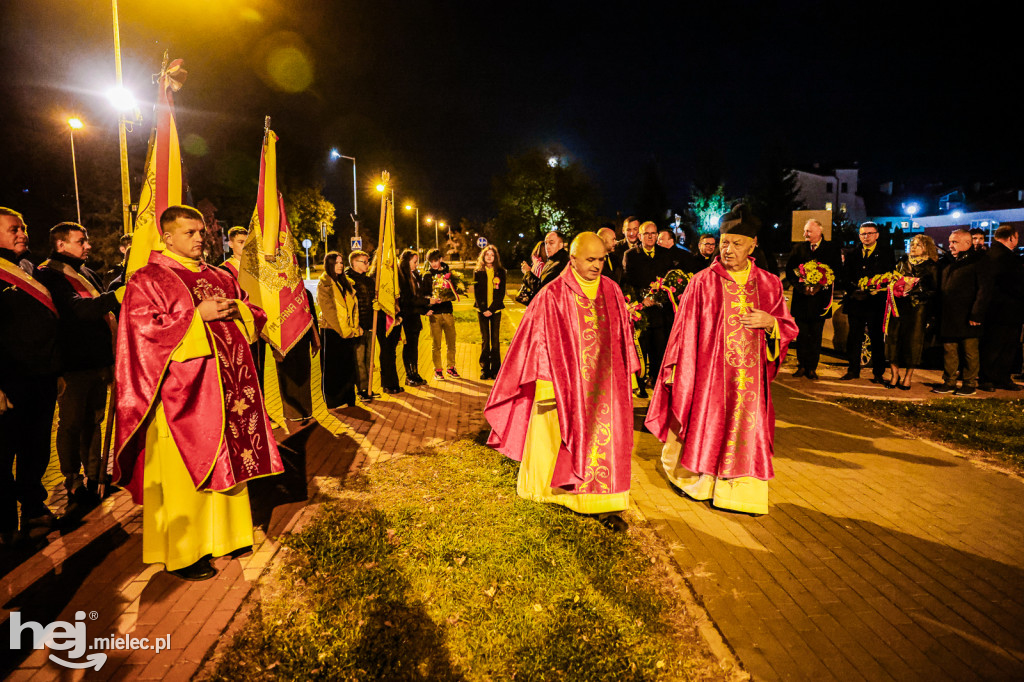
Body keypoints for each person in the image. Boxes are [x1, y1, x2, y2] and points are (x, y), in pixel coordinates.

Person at [113, 205, 283, 581]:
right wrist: (196, 316)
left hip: (229, 389)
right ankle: (185, 552)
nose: (199, 238)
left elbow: (252, 311)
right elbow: (143, 334)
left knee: (230, 463)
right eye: (189, 232)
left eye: (201, 231)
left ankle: (228, 537)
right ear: (167, 237)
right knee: (186, 474)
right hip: (183, 396)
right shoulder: (149, 279)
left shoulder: (218, 275)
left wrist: (236, 307)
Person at [646, 204, 798, 515]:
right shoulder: (703, 281)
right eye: (724, 242)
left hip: (750, 381)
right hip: (711, 376)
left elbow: (788, 326)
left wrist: (771, 324)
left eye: (736, 243)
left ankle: (741, 494)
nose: (727, 249)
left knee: (746, 429)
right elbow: (683, 330)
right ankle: (701, 484)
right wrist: (677, 368)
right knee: (709, 424)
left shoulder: (769, 283)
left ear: (753, 244)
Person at [485, 232, 639, 531]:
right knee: (556, 436)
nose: (598, 266)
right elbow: (536, 341)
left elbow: (622, 337)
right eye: (591, 260)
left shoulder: (612, 290)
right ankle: (552, 493)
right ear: (573, 259)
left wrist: (627, 378)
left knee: (605, 442)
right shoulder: (552, 294)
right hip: (563, 383)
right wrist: (545, 384)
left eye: (602, 259)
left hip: (605, 387)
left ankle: (604, 502)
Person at [35, 222, 121, 510]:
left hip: (97, 362)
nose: (88, 245)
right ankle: (73, 479)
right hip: (72, 364)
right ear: (61, 245)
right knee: (71, 424)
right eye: (81, 241)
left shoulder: (87, 273)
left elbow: (102, 307)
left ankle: (95, 473)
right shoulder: (49, 274)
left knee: (93, 421)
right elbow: (77, 311)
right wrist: (115, 296)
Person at [0, 207, 61, 545]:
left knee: (35, 448)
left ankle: (34, 508)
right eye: (13, 229)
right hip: (9, 383)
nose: (22, 233)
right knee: (3, 454)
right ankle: (5, 521)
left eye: (22, 227)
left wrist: (57, 368)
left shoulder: (28, 269)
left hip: (41, 377)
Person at [932, 229, 990, 396]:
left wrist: (976, 314)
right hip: (949, 316)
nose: (950, 245)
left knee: (969, 351)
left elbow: (983, 291)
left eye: (954, 242)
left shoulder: (978, 262)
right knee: (949, 350)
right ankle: (949, 381)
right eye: (950, 242)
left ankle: (969, 383)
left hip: (968, 316)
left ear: (967, 243)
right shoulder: (949, 263)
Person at [784, 219, 842, 380]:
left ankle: (811, 368)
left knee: (816, 336)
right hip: (802, 300)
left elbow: (836, 271)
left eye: (808, 231)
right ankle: (801, 365)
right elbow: (790, 271)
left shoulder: (831, 249)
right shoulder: (798, 248)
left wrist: (820, 286)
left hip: (820, 301)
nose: (805, 234)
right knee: (802, 335)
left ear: (819, 232)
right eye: (805, 231)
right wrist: (801, 287)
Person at [623, 220, 676, 395]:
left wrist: (661, 295)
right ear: (640, 236)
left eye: (653, 233)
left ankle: (657, 380)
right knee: (641, 349)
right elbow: (627, 282)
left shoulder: (665, 254)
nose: (651, 236)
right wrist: (641, 300)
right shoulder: (631, 255)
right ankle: (639, 384)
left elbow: (670, 280)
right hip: (642, 312)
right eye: (647, 233)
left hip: (661, 311)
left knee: (659, 348)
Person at [841, 221, 895, 382]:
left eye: (870, 233)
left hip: (875, 302)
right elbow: (845, 277)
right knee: (854, 337)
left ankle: (878, 373)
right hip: (856, 301)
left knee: (876, 337)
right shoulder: (853, 253)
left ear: (877, 235)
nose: (866, 237)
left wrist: (875, 289)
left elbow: (889, 275)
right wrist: (853, 291)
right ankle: (853, 370)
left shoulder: (886, 252)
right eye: (863, 234)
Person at [883, 235, 939, 390]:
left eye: (918, 245)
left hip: (917, 309)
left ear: (926, 248)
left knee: (913, 343)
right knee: (893, 341)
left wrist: (915, 290)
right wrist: (895, 286)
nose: (913, 247)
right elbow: (892, 280)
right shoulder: (902, 262)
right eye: (912, 244)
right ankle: (894, 375)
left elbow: (934, 290)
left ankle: (908, 377)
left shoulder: (931, 266)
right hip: (898, 307)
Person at [978, 225, 1024, 392]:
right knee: (998, 345)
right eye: (1016, 238)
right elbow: (1011, 283)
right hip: (1004, 309)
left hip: (1002, 309)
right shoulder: (1003, 257)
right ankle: (991, 378)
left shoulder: (992, 254)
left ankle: (999, 377)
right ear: (1011, 237)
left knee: (1003, 345)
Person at [317, 251, 360, 409]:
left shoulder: (346, 282)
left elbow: (353, 307)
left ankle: (348, 397)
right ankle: (333, 400)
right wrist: (343, 330)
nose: (340, 265)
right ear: (329, 264)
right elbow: (328, 310)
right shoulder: (324, 284)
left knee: (348, 366)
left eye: (342, 262)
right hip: (331, 331)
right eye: (337, 263)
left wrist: (353, 327)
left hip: (347, 331)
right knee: (332, 368)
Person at [397, 249, 438, 387]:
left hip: (414, 318)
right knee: (408, 347)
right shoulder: (402, 277)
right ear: (406, 262)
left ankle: (415, 373)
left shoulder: (414, 275)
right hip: (407, 318)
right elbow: (408, 300)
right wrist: (427, 303)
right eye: (414, 262)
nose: (416, 264)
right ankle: (409, 375)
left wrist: (424, 309)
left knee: (414, 348)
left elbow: (418, 295)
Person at [368, 251, 405, 395]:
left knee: (391, 352)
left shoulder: (397, 277)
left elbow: (402, 298)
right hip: (383, 321)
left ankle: (391, 382)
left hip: (397, 320)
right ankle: (389, 383)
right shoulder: (374, 278)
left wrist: (399, 317)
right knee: (386, 352)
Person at [421, 249, 460, 380]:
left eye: (436, 260)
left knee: (451, 343)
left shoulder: (449, 273)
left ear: (441, 259)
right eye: (431, 261)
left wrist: (450, 295)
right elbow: (424, 294)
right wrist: (430, 303)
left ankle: (451, 367)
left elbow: (455, 291)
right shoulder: (427, 275)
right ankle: (438, 370)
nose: (434, 264)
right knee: (436, 344)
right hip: (435, 314)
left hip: (448, 312)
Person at [346, 250, 378, 402]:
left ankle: (369, 387)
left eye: (368, 261)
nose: (367, 264)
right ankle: (362, 389)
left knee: (369, 359)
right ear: (354, 263)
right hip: (357, 326)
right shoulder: (348, 280)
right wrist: (355, 324)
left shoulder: (369, 281)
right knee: (359, 360)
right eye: (364, 262)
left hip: (370, 324)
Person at [474, 245, 506, 379]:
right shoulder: (478, 271)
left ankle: (495, 369)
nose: (489, 257)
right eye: (487, 254)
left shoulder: (501, 272)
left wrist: (492, 309)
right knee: (485, 340)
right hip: (482, 310)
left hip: (496, 310)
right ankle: (485, 368)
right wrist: (484, 309)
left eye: (492, 255)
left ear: (495, 257)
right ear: (483, 256)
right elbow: (477, 293)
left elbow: (501, 292)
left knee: (495, 339)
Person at [516, 241, 547, 305]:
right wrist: (528, 272)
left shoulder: (535, 264)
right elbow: (537, 285)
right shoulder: (541, 265)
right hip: (536, 302)